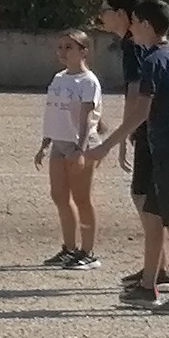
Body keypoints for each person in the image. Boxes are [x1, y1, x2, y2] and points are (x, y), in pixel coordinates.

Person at [95, 0, 169, 316]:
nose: (132, 29)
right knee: (154, 217)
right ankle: (148, 286)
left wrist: (107, 145)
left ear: (144, 25)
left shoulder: (153, 61)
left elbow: (141, 112)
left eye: (136, 23)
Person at [38, 28, 105, 270]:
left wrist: (81, 149)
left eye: (69, 47)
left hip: (79, 145)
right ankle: (69, 248)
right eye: (60, 47)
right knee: (59, 195)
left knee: (81, 198)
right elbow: (53, 113)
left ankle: (88, 252)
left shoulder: (88, 81)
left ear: (83, 51)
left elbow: (87, 117)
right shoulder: (59, 78)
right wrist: (45, 143)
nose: (63, 52)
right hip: (59, 142)